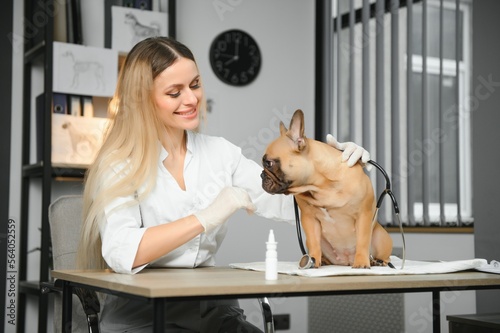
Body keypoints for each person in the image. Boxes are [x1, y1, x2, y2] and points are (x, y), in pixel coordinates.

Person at [76, 36, 370, 333]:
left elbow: (288, 205)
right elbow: (121, 251)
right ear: (143, 99)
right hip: (141, 317)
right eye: (174, 92)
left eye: (195, 85)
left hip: (214, 312)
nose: (191, 100)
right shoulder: (119, 164)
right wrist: (203, 218)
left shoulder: (221, 153)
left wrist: (341, 175)